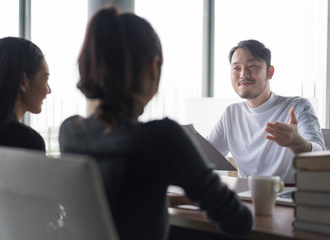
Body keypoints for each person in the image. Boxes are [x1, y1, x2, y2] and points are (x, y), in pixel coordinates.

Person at [59, 7, 252, 240]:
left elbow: (115, 200)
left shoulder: (70, 132)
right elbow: (237, 220)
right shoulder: (162, 137)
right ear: (153, 66)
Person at [207, 39, 325, 183]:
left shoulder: (297, 107)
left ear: (270, 72)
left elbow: (321, 157)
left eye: (252, 66)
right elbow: (205, 157)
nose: (243, 74)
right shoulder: (231, 114)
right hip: (246, 199)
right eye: (236, 68)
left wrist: (297, 143)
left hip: (287, 198)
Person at [0, 37, 51, 240]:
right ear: (23, 81)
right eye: (46, 79)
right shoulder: (25, 141)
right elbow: (35, 224)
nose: (48, 90)